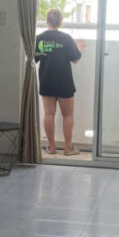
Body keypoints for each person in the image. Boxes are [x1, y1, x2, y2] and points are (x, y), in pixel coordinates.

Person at [35, 9, 87, 156]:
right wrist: (79, 48)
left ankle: (51, 148)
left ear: (47, 21)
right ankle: (67, 148)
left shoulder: (40, 38)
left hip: (46, 79)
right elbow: (76, 59)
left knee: (48, 114)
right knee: (68, 115)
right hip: (64, 80)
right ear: (60, 22)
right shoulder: (66, 38)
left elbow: (35, 58)